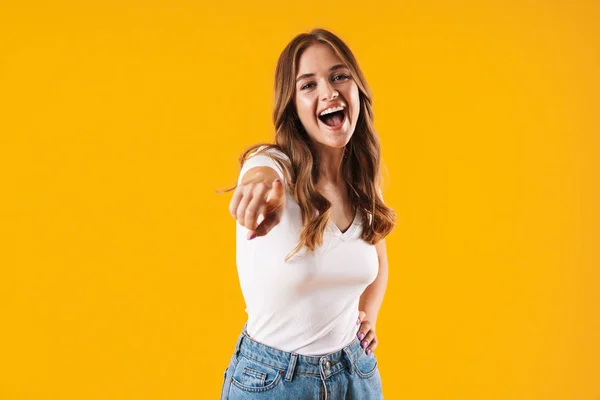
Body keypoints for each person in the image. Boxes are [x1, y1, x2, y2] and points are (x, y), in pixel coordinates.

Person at [218, 28, 396, 399]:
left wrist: (368, 315)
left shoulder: (362, 182)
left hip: (355, 374)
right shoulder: (275, 167)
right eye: (308, 85)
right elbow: (260, 169)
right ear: (294, 107)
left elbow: (377, 260)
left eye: (338, 76)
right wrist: (257, 186)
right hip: (274, 382)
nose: (329, 92)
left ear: (356, 88)